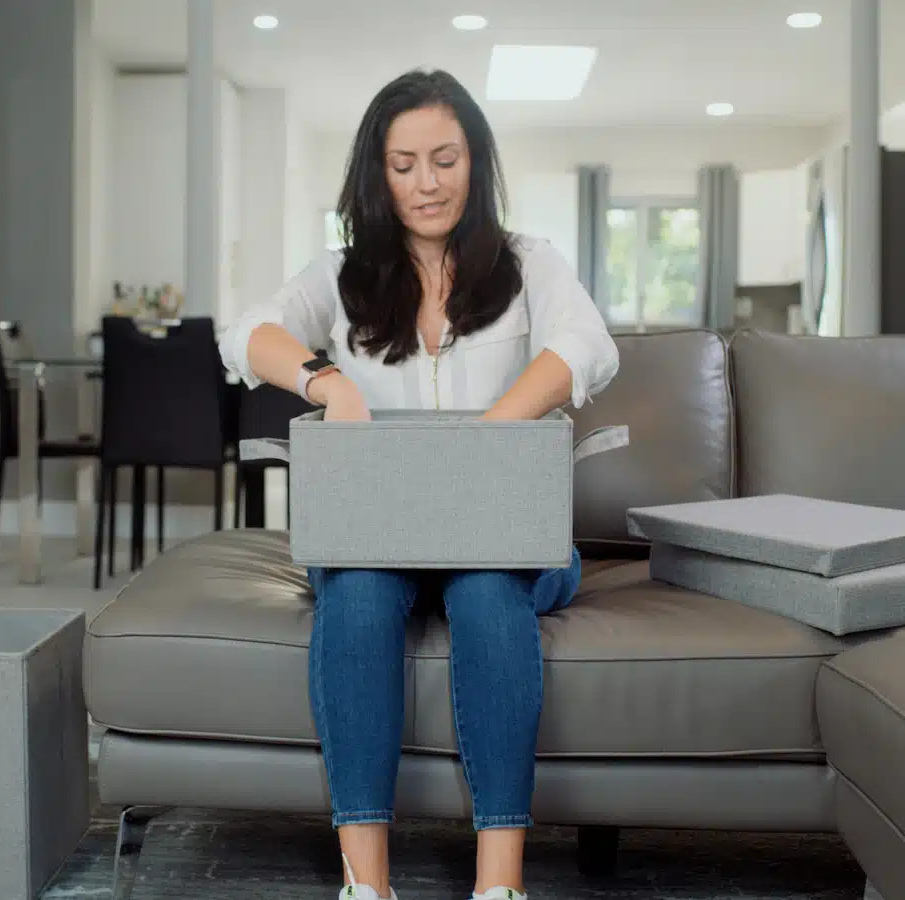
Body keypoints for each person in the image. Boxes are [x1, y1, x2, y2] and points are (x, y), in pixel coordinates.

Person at [218, 68, 619, 900]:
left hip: (501, 531)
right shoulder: (339, 274)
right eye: (403, 164)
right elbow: (242, 335)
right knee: (357, 596)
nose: (426, 183)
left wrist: (490, 435)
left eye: (444, 159)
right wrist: (332, 383)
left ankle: (498, 885)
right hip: (378, 534)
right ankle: (367, 885)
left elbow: (587, 344)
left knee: (486, 595)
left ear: (476, 163)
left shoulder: (527, 262)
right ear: (377, 171)